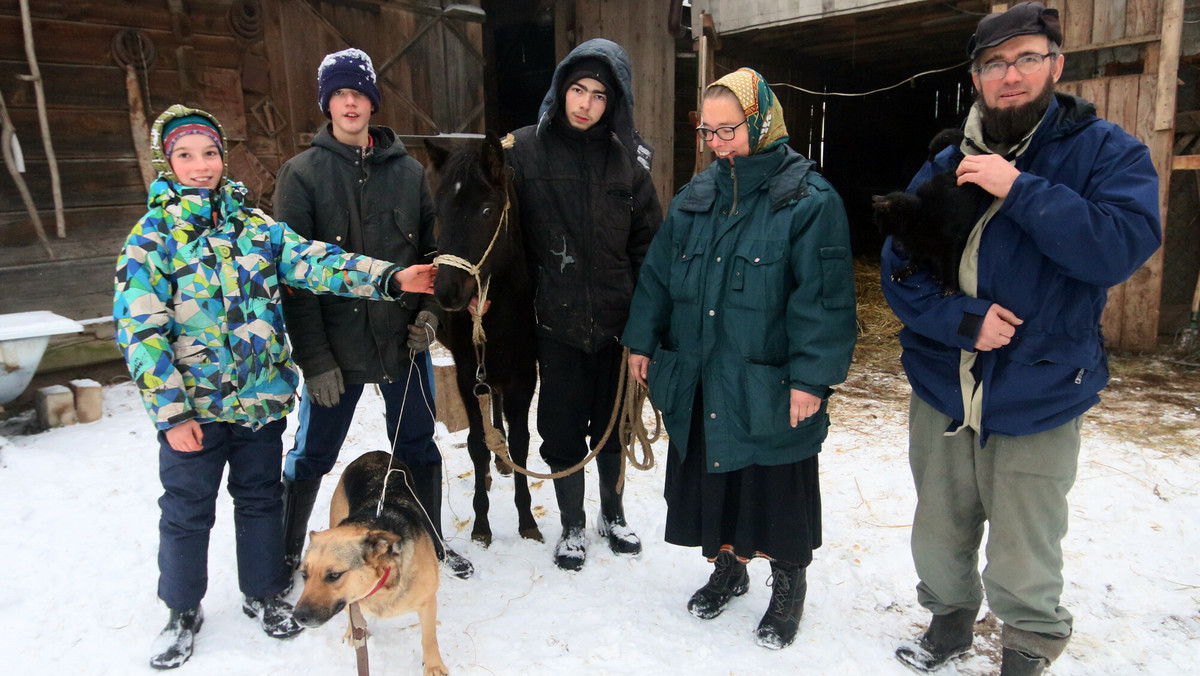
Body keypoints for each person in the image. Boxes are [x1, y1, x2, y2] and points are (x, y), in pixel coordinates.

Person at [880, 4, 1162, 674]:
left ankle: (1029, 643)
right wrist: (961, 320)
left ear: (1056, 65)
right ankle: (948, 620)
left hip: (1040, 380)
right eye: (994, 63)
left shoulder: (1105, 151)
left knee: (1025, 537)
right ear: (976, 76)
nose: (1011, 75)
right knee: (941, 522)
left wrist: (1021, 190)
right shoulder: (946, 162)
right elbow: (899, 268)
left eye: (1027, 58)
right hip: (945, 378)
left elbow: (1118, 249)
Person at [114, 104, 436, 670]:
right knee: (187, 509)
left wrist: (388, 277)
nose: (200, 165)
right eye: (186, 155)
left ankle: (263, 592)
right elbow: (141, 329)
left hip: (258, 401)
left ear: (222, 157)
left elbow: (317, 261)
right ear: (168, 162)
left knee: (260, 500)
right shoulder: (152, 238)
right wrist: (170, 414)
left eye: (210, 153)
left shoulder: (254, 228)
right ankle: (182, 610)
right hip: (195, 409)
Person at [621, 68, 857, 649]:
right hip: (703, 373)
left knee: (774, 485)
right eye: (709, 131)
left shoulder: (807, 199)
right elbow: (656, 277)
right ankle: (728, 567)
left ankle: (786, 585)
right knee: (713, 479)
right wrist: (640, 341)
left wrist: (811, 378)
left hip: (768, 380)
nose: (718, 142)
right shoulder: (695, 198)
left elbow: (823, 299)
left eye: (729, 129)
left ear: (761, 121)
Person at [274, 48, 472, 579]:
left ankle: (428, 543)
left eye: (357, 93)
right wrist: (314, 360)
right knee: (314, 453)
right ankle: (288, 550)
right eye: (338, 94)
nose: (349, 103)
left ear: (372, 102)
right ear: (326, 104)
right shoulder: (301, 176)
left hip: (401, 343)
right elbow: (292, 278)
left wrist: (429, 315)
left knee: (417, 447)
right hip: (335, 350)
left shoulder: (409, 173)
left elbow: (435, 254)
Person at [504, 38, 662, 571]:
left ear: (613, 103)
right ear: (561, 89)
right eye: (578, 89)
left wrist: (646, 326)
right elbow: (501, 236)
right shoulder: (522, 152)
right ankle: (572, 522)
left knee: (614, 425)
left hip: (617, 324)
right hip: (556, 321)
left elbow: (649, 250)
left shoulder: (629, 164)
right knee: (562, 427)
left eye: (599, 95)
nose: (587, 104)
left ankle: (611, 513)